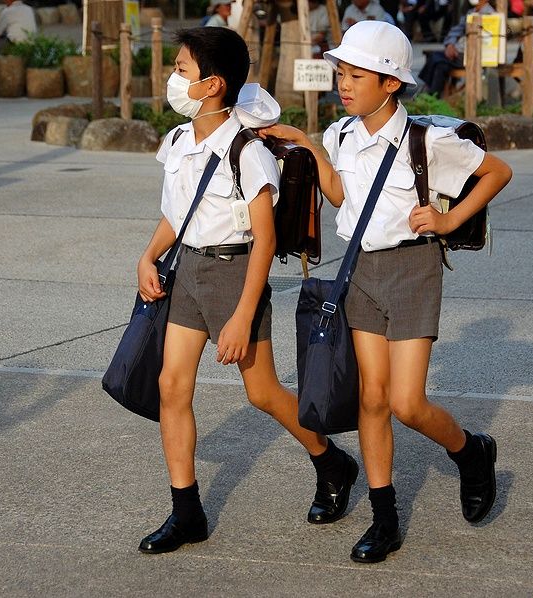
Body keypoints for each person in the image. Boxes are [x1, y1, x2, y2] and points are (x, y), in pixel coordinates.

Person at [259, 20, 511, 564]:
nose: (343, 85)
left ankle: (471, 451)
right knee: (372, 399)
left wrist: (449, 221)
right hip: (360, 272)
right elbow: (340, 195)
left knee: (407, 403)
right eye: (341, 74)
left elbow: (497, 172)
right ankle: (385, 516)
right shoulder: (341, 135)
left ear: (391, 82)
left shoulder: (427, 141)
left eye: (356, 75)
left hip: (413, 269)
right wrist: (308, 147)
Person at [135, 26, 359, 555]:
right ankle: (186, 510)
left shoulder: (246, 150)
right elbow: (177, 213)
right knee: (172, 387)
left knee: (261, 393)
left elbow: (265, 239)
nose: (173, 78)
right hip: (188, 271)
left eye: (182, 69)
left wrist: (241, 316)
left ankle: (331, 460)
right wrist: (147, 255)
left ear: (212, 84)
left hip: (235, 274)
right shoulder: (178, 141)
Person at [417, 0, 495, 97]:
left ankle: (429, 94)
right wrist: (450, 44)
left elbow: (487, 41)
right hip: (459, 51)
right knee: (440, 63)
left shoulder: (490, 14)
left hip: (471, 55)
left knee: (437, 59)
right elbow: (456, 30)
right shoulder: (471, 12)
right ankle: (432, 95)